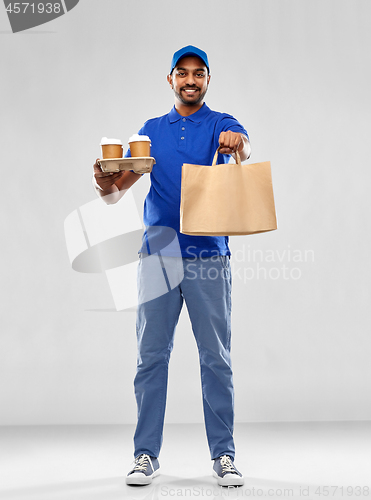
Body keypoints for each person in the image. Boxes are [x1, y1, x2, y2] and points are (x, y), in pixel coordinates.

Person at [92, 45, 251, 487]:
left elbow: (245, 144)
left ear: (207, 80)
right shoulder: (150, 131)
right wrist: (102, 179)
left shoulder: (221, 123)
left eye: (198, 74)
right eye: (182, 74)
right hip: (157, 254)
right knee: (150, 359)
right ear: (170, 80)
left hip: (208, 257)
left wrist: (238, 142)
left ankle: (224, 456)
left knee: (215, 359)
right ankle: (145, 455)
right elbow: (113, 193)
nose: (190, 80)